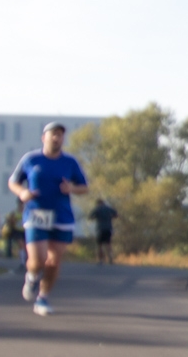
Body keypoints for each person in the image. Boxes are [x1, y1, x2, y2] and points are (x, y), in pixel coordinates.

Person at [8, 123, 89, 316]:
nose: (57, 138)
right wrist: (23, 193)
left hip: (62, 216)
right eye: (53, 134)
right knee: (38, 260)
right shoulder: (31, 159)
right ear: (44, 137)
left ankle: (42, 298)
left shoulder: (70, 162)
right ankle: (32, 276)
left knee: (53, 261)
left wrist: (72, 189)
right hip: (36, 214)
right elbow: (13, 182)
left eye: (60, 135)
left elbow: (84, 187)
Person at [89, 198, 119, 264]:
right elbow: (116, 214)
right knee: (108, 244)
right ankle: (110, 258)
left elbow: (90, 217)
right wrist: (110, 217)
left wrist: (96, 217)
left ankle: (101, 260)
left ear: (98, 203)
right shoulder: (109, 208)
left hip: (100, 228)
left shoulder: (97, 209)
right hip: (108, 228)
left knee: (100, 245)